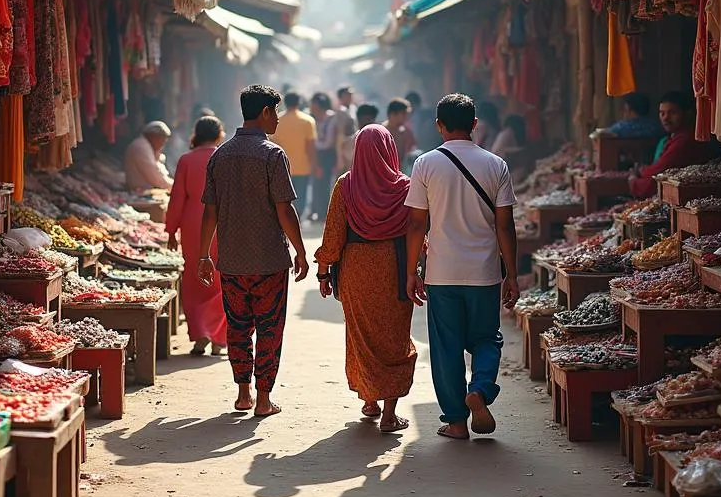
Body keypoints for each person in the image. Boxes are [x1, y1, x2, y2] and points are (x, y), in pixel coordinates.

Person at [405, 93, 518, 440]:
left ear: (438, 125)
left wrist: (412, 271)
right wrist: (511, 273)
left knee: (446, 347)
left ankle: (456, 421)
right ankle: (480, 390)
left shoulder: (424, 165)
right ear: (474, 125)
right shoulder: (496, 164)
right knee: (487, 338)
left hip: (442, 273)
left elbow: (415, 225)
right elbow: (505, 225)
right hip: (483, 273)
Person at [198, 85, 309, 418]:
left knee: (238, 327)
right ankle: (263, 399)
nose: (277, 118)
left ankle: (243, 394)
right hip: (269, 261)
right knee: (269, 329)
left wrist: (204, 255)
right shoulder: (273, 155)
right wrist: (300, 251)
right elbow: (284, 209)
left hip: (231, 261)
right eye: (274, 111)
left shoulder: (220, 155)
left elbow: (210, 212)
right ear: (264, 112)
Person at [315, 125, 417, 434]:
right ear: (389, 149)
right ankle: (389, 413)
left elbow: (333, 234)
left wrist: (323, 270)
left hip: (355, 272)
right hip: (395, 269)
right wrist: (419, 269)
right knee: (394, 338)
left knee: (361, 337)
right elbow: (417, 232)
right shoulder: (405, 187)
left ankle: (370, 400)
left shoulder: (345, 186)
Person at [166, 116, 228, 356]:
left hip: (192, 224)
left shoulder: (186, 160)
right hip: (221, 222)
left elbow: (177, 197)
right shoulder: (224, 157)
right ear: (218, 134)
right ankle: (218, 337)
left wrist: (171, 229)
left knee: (194, 279)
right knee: (222, 279)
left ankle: (200, 334)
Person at [628, 91, 712, 199]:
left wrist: (637, 175)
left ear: (688, 114)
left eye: (672, 113)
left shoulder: (685, 140)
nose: (665, 118)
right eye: (662, 113)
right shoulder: (673, 138)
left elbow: (660, 170)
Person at [271, 92, 318, 219]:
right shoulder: (308, 121)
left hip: (282, 167)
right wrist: (314, 164)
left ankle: (286, 220)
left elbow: (272, 144)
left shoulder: (277, 120)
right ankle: (297, 218)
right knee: (301, 195)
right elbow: (311, 146)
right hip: (303, 166)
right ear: (299, 103)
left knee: (284, 197)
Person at [124, 121, 173, 192]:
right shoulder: (141, 147)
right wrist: (177, 186)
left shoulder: (147, 146)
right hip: (140, 193)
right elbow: (156, 178)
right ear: (153, 136)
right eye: (161, 139)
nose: (163, 144)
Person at [309, 92, 336, 222]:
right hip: (315, 153)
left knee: (325, 183)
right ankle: (317, 210)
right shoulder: (312, 118)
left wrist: (314, 143)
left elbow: (329, 142)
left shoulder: (331, 118)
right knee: (316, 184)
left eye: (314, 104)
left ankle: (325, 212)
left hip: (327, 155)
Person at [595, 92, 665, 140]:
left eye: (625, 110)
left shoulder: (622, 128)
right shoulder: (657, 127)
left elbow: (601, 134)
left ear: (630, 110)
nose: (624, 114)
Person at [329, 85, 358, 181]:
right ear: (341, 97)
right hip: (343, 149)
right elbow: (340, 134)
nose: (350, 97)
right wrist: (340, 157)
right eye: (347, 95)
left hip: (352, 147)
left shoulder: (353, 109)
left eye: (351, 95)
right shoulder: (341, 111)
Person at [385, 98, 417, 163]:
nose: (406, 117)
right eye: (403, 114)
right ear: (393, 114)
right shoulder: (381, 133)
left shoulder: (407, 133)